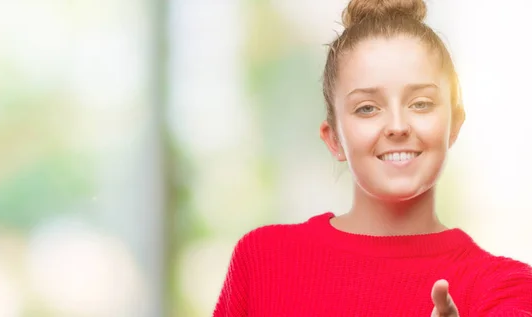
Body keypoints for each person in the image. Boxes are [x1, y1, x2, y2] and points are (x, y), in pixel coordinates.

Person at [212, 0, 532, 316]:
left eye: (420, 103)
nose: (397, 126)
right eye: (367, 108)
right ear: (334, 139)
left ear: (454, 124)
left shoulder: (505, 288)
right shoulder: (263, 261)